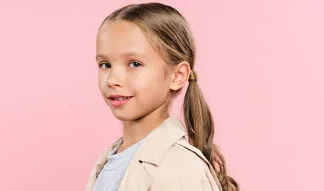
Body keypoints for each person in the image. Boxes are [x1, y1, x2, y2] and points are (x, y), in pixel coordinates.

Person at [86, 2, 240, 191]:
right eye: (105, 64)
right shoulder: (114, 157)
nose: (113, 79)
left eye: (134, 64)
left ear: (178, 75)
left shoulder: (179, 168)